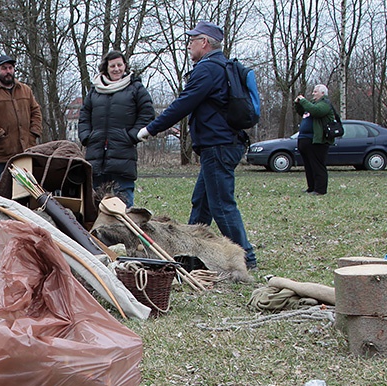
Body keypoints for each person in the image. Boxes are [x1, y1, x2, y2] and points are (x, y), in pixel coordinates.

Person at [137, 21, 257, 270]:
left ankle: (246, 258)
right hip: (222, 143)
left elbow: (184, 103)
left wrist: (151, 129)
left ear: (204, 42)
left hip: (218, 145)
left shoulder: (208, 69)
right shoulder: (222, 67)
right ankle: (189, 252)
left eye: (192, 41)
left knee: (221, 205)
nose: (189, 45)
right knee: (201, 202)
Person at [78, 50, 155, 208]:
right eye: (112, 65)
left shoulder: (136, 88)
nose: (116, 69)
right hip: (96, 156)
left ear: (125, 66)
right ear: (106, 68)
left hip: (123, 155)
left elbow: (147, 114)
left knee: (124, 205)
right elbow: (84, 116)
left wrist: (132, 136)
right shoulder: (95, 91)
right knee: (93, 205)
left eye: (119, 65)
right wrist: (86, 136)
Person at [0, 54, 42, 225]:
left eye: (10, 67)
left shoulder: (25, 90)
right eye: (4, 68)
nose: (8, 71)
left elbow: (36, 112)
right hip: (0, 151)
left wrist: (34, 132)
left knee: (26, 187)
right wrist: (0, 135)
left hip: (25, 150)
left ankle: (23, 219)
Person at [294, 84, 334, 196]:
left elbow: (316, 111)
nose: (313, 93)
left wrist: (303, 100)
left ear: (322, 93)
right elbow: (302, 111)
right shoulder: (312, 105)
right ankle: (311, 187)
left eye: (315, 92)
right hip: (305, 140)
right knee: (308, 166)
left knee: (317, 165)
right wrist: (297, 103)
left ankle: (320, 189)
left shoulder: (325, 104)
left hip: (317, 141)